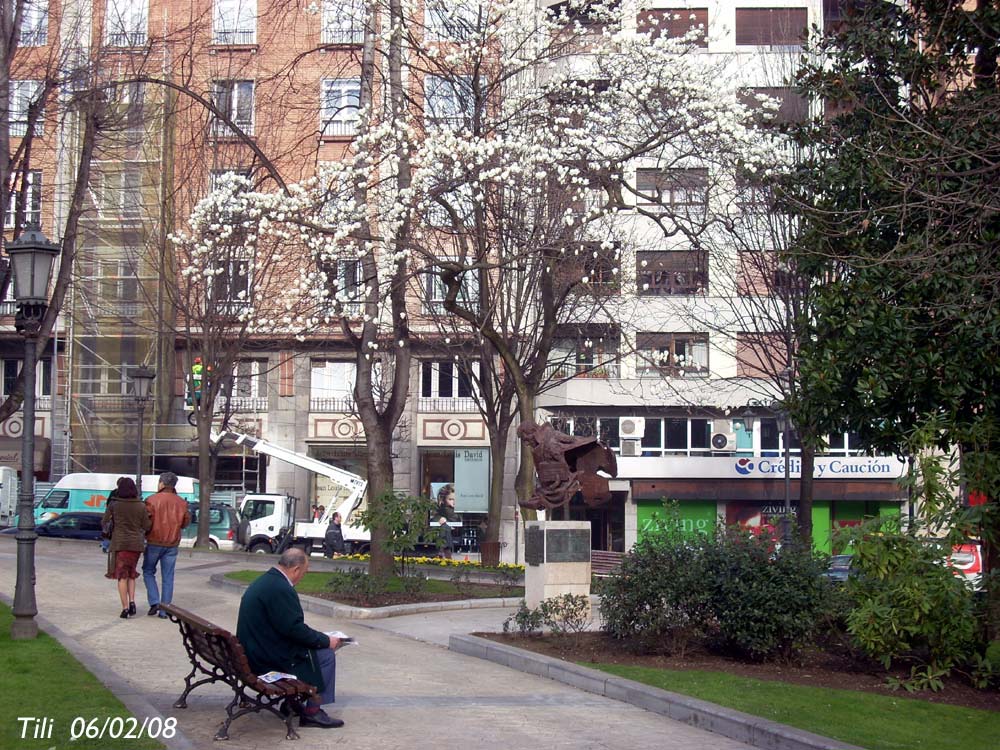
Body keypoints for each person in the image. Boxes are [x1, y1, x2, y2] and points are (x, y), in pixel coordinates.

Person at [236, 548, 344, 729]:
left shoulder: (268, 581)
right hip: (265, 660)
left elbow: (288, 627)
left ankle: (291, 702)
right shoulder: (280, 588)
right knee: (325, 655)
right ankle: (312, 712)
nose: (303, 576)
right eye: (304, 572)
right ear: (296, 569)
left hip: (253, 652)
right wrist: (327, 640)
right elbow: (294, 629)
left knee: (312, 649)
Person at [143, 471, 191, 618]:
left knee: (148, 571)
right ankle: (165, 609)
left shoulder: (151, 500)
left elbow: (147, 522)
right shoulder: (181, 502)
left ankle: (154, 601)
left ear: (162, 483)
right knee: (168, 577)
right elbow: (185, 523)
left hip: (154, 541)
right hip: (172, 543)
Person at [102, 477, 151, 619]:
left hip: (120, 543)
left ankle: (125, 608)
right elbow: (146, 526)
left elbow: (104, 521)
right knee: (131, 574)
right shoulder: (141, 505)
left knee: (122, 576)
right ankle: (132, 601)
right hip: (136, 544)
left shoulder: (114, 505)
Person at [436, 484, 457, 559]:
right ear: (443, 500)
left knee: (445, 528)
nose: (454, 502)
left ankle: (442, 549)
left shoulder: (454, 511)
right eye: (450, 499)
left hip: (449, 536)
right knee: (445, 528)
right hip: (447, 536)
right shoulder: (444, 510)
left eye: (455, 499)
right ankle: (443, 550)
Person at [100, 487, 119, 555]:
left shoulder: (113, 498)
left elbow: (105, 519)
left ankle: (105, 546)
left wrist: (104, 522)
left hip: (112, 521)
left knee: (108, 534)